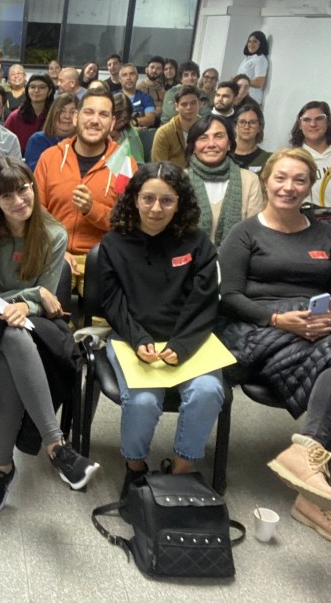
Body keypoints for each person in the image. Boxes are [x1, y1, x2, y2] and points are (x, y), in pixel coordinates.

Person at [219, 148, 331, 549]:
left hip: (320, 326)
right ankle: (316, 499)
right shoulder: (245, 233)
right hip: (257, 327)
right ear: (266, 181)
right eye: (280, 178)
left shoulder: (328, 235)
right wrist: (278, 320)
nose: (288, 187)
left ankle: (307, 453)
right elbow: (228, 297)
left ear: (309, 186)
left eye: (298, 180)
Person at [0, 157, 96, 516]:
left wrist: (30, 302)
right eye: (7, 195)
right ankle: (57, 447)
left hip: (36, 328)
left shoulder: (53, 233)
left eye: (23, 189)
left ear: (33, 187)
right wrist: (32, 296)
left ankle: (1, 468)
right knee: (8, 333)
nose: (19, 200)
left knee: (11, 340)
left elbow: (46, 298)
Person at [100, 162, 225, 490]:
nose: (156, 208)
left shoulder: (198, 245)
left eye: (167, 201)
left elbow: (205, 303)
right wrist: (138, 337)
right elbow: (112, 303)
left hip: (190, 339)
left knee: (208, 391)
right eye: (148, 199)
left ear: (180, 203)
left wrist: (182, 345)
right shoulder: (114, 243)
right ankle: (136, 467)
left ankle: (181, 471)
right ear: (135, 199)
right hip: (131, 339)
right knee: (142, 402)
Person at [34, 87, 120, 283]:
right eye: (89, 112)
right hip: (51, 254)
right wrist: (58, 249)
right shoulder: (50, 158)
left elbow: (126, 223)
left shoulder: (124, 164)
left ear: (112, 122)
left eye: (103, 115)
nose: (95, 121)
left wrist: (92, 210)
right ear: (75, 117)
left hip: (103, 260)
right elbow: (35, 212)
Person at [185, 115, 264, 245]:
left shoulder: (249, 180)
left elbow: (254, 234)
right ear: (193, 146)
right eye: (203, 138)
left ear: (229, 144)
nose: (211, 144)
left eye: (219, 136)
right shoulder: (180, 180)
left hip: (236, 260)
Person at [150, 86, 203, 169]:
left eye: (193, 103)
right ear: (176, 107)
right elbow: (159, 167)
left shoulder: (208, 129)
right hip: (174, 178)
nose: (189, 107)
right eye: (184, 104)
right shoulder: (164, 133)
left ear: (200, 104)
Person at [23, 93, 77, 171]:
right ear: (53, 113)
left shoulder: (82, 143)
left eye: (72, 112)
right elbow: (37, 172)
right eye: (62, 111)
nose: (67, 116)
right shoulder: (38, 140)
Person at [4, 74, 55, 151]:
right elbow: (5, 142)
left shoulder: (55, 116)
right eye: (32, 87)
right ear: (27, 90)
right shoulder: (15, 116)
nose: (36, 90)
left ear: (50, 91)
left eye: (42, 87)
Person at [232, 104, 271, 173]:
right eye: (242, 122)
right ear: (235, 126)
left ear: (259, 127)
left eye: (253, 122)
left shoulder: (267, 159)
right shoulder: (223, 154)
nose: (247, 127)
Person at [160, 61, 201, 126]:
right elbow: (171, 113)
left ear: (197, 77)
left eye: (193, 74)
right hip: (169, 128)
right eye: (186, 75)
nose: (190, 78)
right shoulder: (172, 92)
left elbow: (206, 114)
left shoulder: (201, 94)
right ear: (181, 79)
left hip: (195, 128)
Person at [118, 63, 156, 128]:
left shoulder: (147, 98)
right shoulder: (112, 97)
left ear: (137, 77)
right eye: (125, 75)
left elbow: (150, 119)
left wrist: (133, 121)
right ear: (120, 80)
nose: (128, 78)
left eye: (132, 74)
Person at [237, 31, 270, 104]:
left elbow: (259, 82)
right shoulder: (247, 58)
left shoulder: (261, 59)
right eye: (249, 41)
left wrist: (239, 81)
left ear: (261, 44)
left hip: (252, 99)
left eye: (255, 42)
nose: (251, 44)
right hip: (242, 97)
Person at [138, 57, 166, 122]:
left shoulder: (163, 91)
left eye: (158, 68)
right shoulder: (138, 88)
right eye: (152, 67)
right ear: (146, 70)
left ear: (162, 72)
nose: (154, 70)